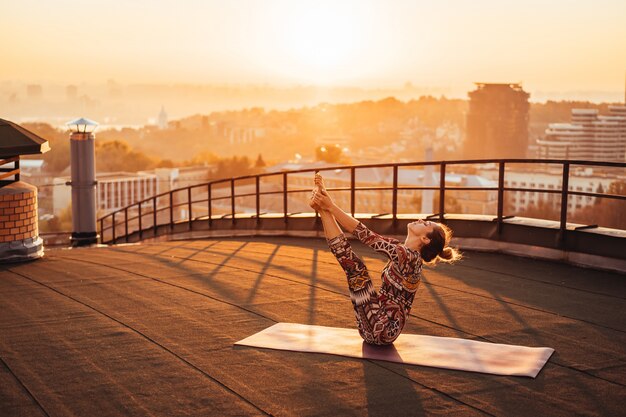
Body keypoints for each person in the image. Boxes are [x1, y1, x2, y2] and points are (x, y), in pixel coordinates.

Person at [309, 172, 461, 345]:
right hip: (375, 323)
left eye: (425, 224)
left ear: (425, 239)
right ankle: (321, 207)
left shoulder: (410, 258)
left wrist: (331, 206)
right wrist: (327, 205)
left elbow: (367, 236)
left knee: (357, 269)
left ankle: (323, 207)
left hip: (382, 329)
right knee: (355, 268)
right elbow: (368, 236)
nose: (420, 219)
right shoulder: (401, 250)